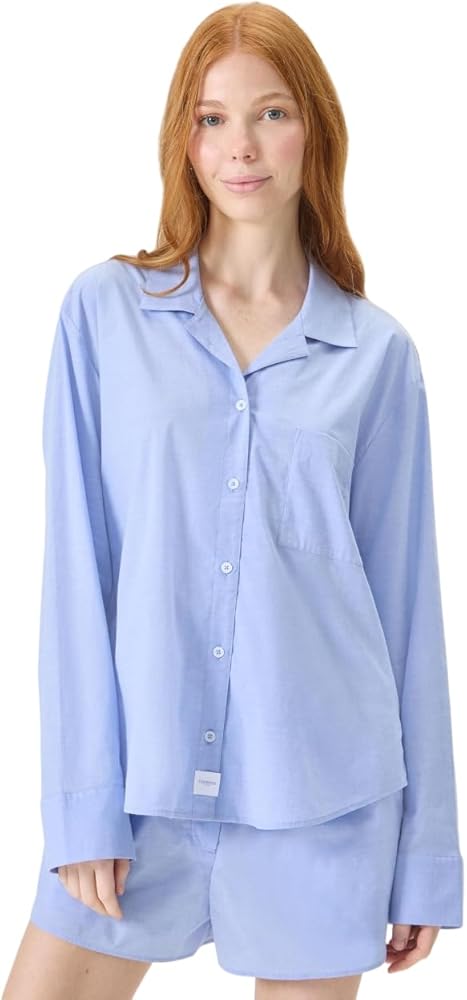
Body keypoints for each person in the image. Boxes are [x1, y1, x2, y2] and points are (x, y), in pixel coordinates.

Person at [2, 3, 463, 999]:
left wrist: (426, 855)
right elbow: (76, 570)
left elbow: (405, 613)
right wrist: (82, 804)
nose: (240, 146)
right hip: (140, 794)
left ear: (315, 132)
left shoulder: (376, 355)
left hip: (323, 805)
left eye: (270, 113)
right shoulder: (104, 313)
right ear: (184, 139)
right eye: (211, 118)